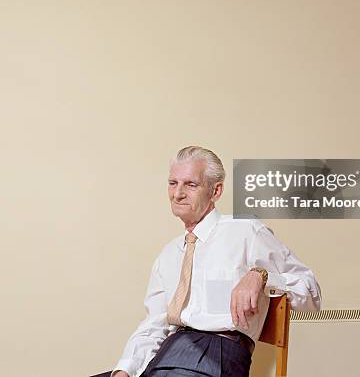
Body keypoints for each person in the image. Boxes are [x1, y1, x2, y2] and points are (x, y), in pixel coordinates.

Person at [92, 146, 321, 377]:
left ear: (216, 191)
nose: (178, 193)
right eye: (173, 183)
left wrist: (261, 276)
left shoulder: (245, 231)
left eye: (191, 185)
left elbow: (312, 295)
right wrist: (126, 370)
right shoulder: (169, 254)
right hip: (168, 355)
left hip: (217, 355)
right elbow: (155, 325)